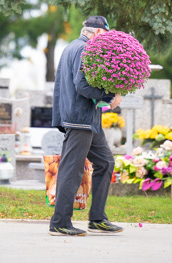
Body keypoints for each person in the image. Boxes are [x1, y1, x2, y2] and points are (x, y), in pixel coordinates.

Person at [49, 15, 123, 237]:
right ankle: (59, 223)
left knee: (105, 163)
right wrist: (109, 96)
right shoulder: (84, 50)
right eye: (105, 36)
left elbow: (62, 86)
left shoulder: (71, 46)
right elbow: (82, 85)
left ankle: (97, 218)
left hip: (86, 119)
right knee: (72, 169)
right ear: (98, 33)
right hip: (80, 120)